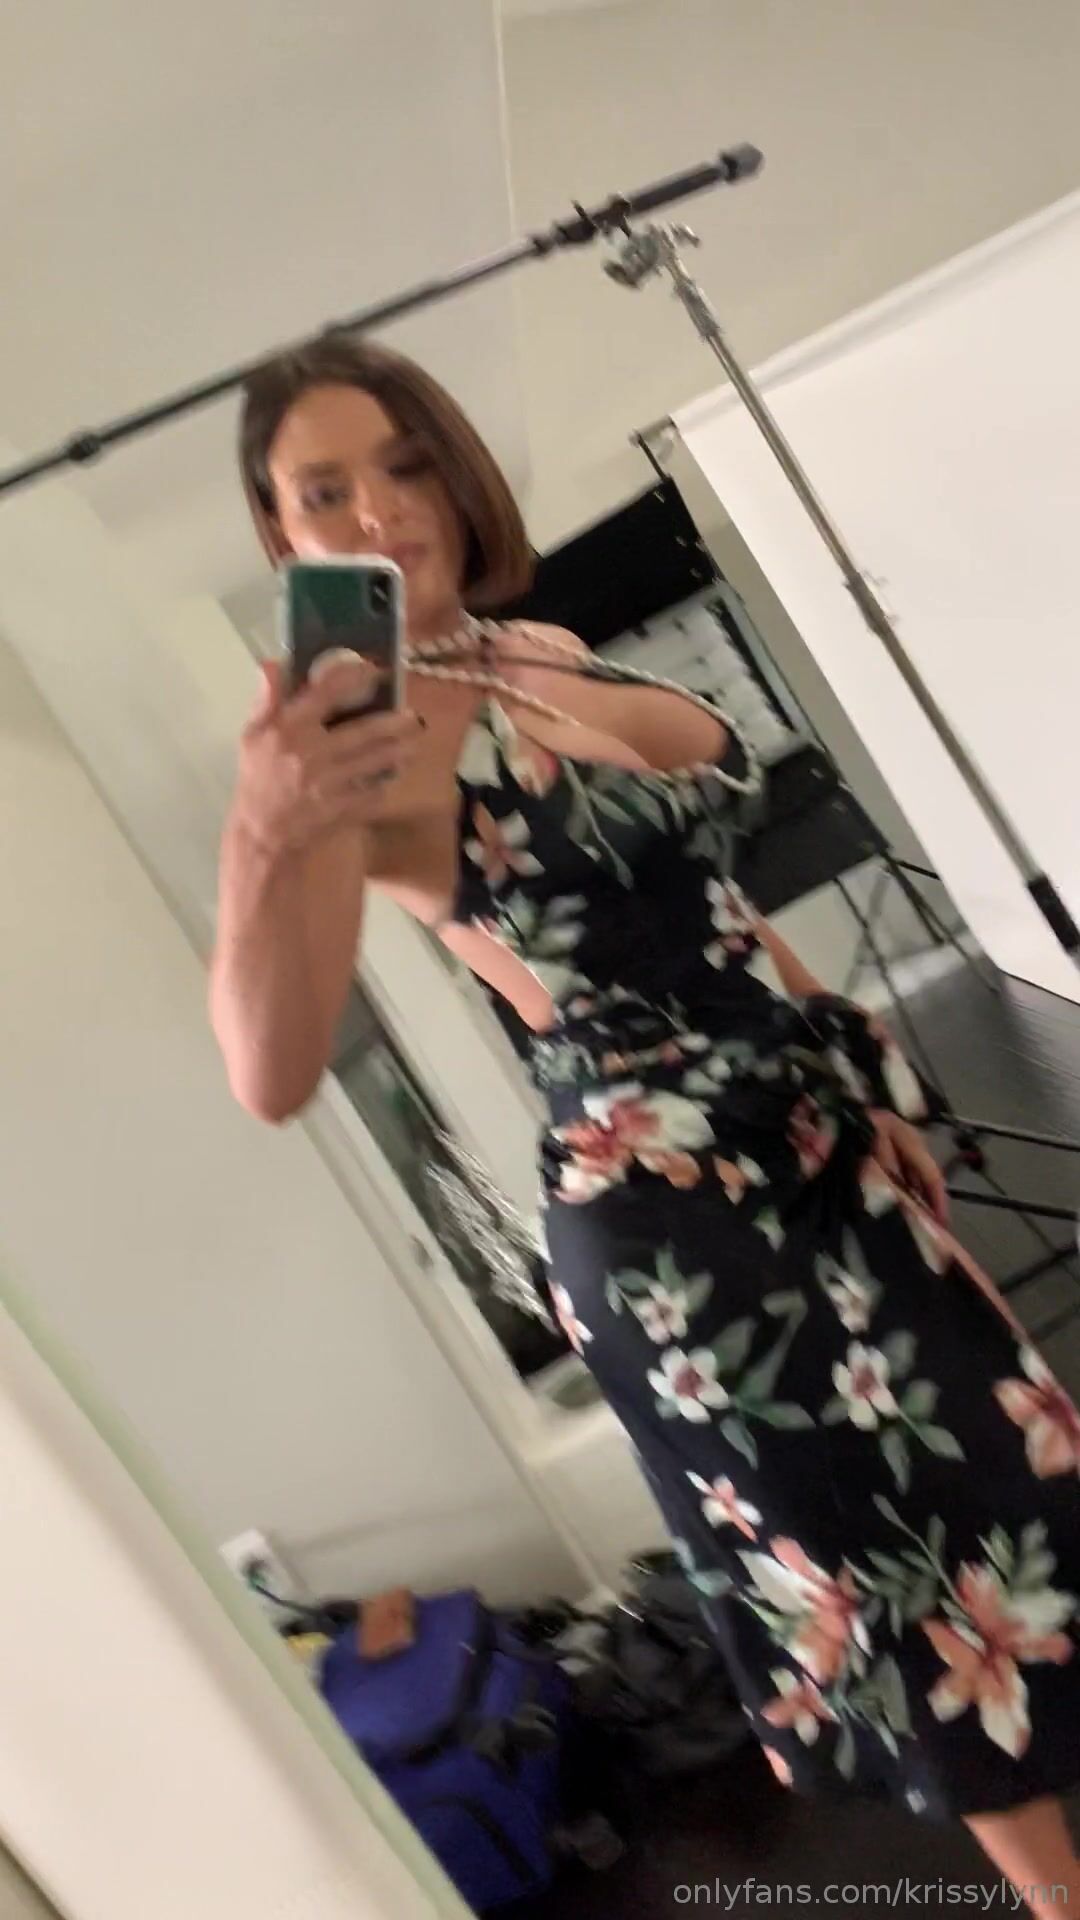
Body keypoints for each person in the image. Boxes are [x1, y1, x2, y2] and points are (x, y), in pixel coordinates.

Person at [212, 336, 1080, 1907]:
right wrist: (262, 839)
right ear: (282, 537)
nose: (379, 512)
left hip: (816, 1132)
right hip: (680, 1224)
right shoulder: (362, 759)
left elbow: (720, 913)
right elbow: (268, 1070)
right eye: (322, 493)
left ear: (454, 471)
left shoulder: (532, 648)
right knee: (885, 1566)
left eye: (404, 464)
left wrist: (862, 1070)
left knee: (1008, 1474)